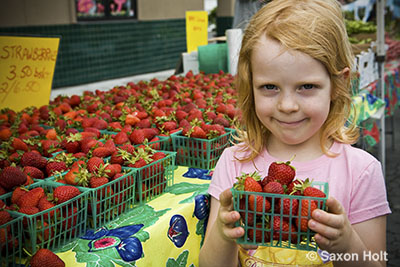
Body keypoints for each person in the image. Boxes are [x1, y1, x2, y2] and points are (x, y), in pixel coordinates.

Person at [198, 0, 391, 266]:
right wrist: (224, 235)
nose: (287, 106)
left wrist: (346, 242)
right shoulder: (233, 162)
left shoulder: (361, 171)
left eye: (307, 86)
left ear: (339, 84)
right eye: (269, 87)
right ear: (250, 85)